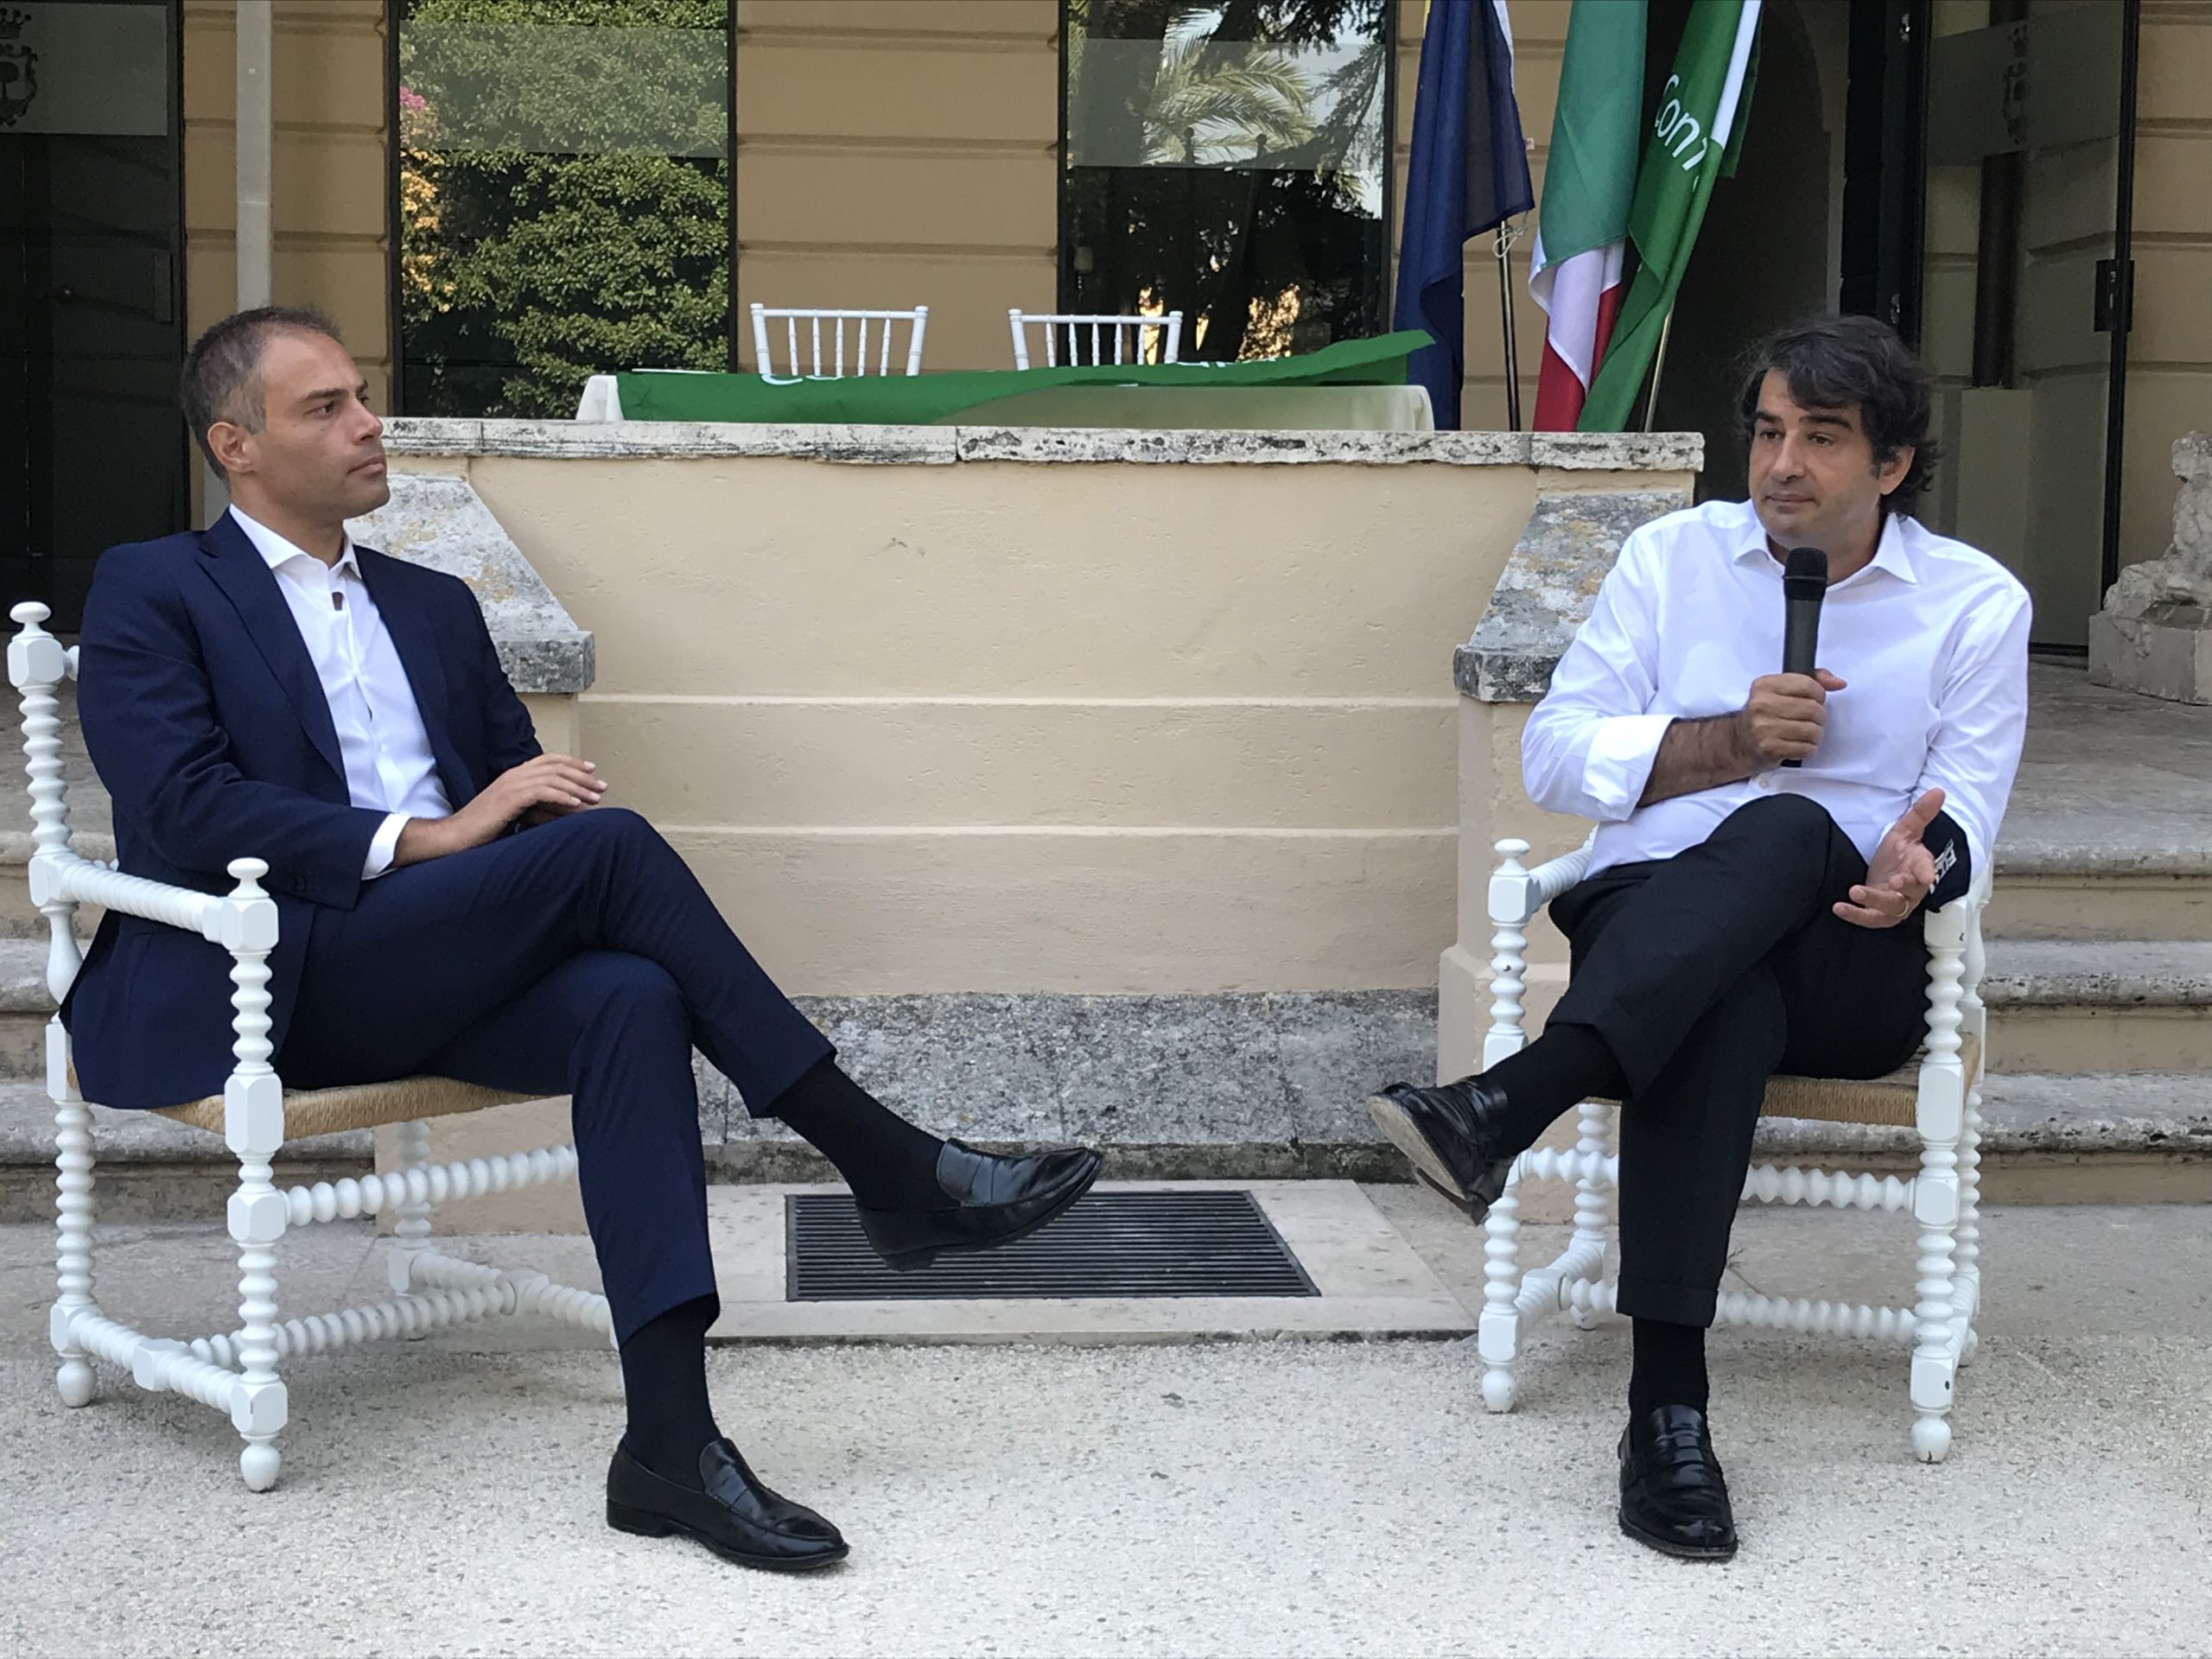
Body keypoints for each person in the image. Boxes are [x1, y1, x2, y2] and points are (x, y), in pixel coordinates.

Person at [69, 306, 1103, 1573]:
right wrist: (432, 838)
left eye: (363, 395)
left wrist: (508, 839)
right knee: (612, 852)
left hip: (434, 962)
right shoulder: (156, 586)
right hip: (274, 976)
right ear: (235, 444)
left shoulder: (433, 603)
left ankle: (670, 1443)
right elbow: (181, 805)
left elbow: (522, 788)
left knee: (630, 997)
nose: (368, 424)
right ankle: (887, 1165)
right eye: (324, 408)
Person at [1370, 315, 2031, 1560]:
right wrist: (1723, 741)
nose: (1781, 464)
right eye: (1768, 432)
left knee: (1790, 828)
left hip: (1850, 949)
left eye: (1821, 439)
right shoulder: (1670, 559)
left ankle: (1514, 1100)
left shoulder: (1974, 604)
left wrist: (1922, 869)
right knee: (1717, 994)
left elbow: (1969, 812)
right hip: (1659, 920)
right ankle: (1666, 1418)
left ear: (1891, 464)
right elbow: (1554, 752)